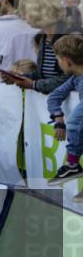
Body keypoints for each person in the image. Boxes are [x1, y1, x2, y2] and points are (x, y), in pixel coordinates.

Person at [2, 0, 71, 94]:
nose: (23, 16)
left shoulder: (67, 36)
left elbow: (69, 79)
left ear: (39, 11)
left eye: (25, 12)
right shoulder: (44, 38)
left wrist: (33, 85)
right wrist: (18, 77)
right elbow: (42, 75)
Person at [46, 35, 83, 186]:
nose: (58, 64)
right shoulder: (75, 77)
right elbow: (54, 96)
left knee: (75, 122)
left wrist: (70, 123)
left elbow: (75, 121)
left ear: (67, 60)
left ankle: (73, 165)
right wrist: (58, 118)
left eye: (58, 60)